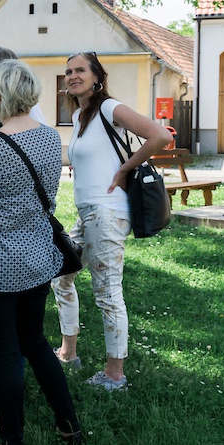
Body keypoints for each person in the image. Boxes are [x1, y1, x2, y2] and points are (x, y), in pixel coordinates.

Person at [0, 59, 82, 445]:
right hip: (38, 257)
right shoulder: (49, 137)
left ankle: (12, 444)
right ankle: (69, 425)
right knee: (36, 342)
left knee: (5, 353)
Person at [52, 52, 172, 390]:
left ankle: (114, 374)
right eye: (68, 72)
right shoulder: (78, 116)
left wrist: (124, 170)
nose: (73, 76)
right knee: (62, 277)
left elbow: (160, 135)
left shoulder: (108, 107)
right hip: (88, 213)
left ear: (97, 77)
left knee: (107, 292)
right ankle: (68, 352)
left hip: (107, 213)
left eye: (80, 70)